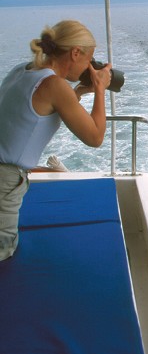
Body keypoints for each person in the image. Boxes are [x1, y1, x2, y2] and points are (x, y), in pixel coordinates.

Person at [0, 20, 112, 261]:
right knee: (3, 251)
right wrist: (101, 89)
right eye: (88, 60)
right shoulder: (55, 85)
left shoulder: (24, 70)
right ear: (75, 53)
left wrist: (80, 92)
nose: (88, 67)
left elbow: (40, 107)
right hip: (4, 181)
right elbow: (95, 137)